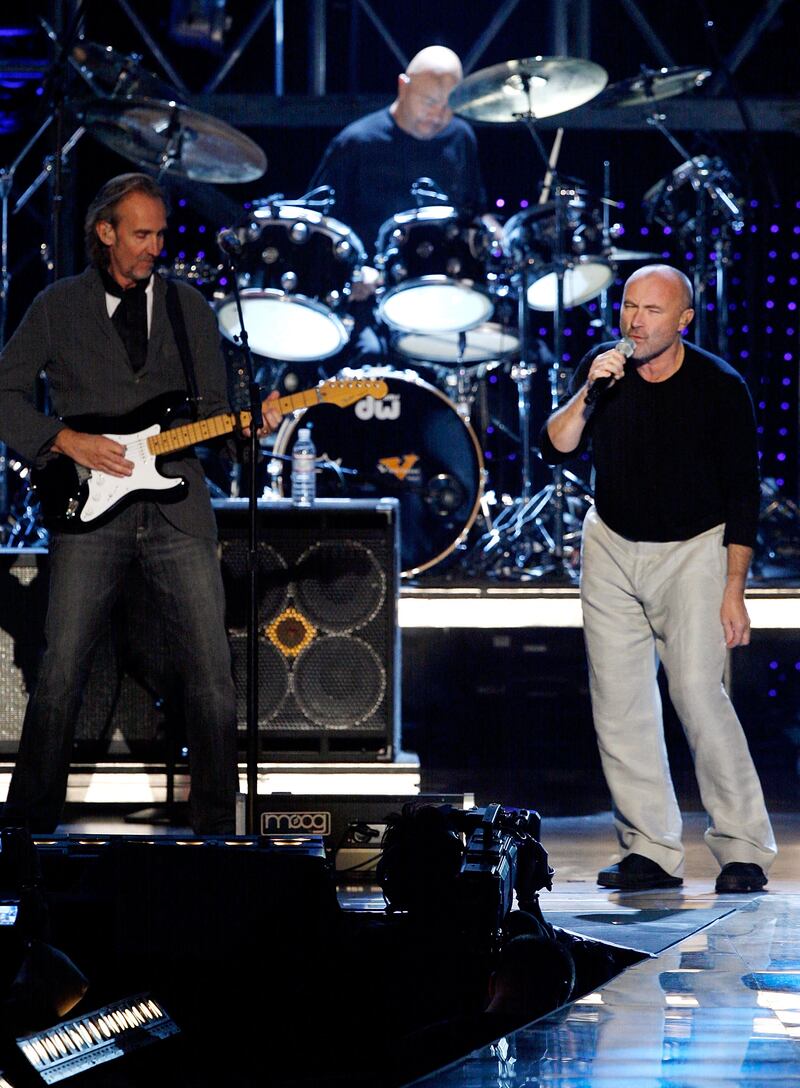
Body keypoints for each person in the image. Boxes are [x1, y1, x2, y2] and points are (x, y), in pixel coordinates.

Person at [0, 173, 282, 836]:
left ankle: (216, 830)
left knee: (211, 668)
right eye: (143, 233)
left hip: (178, 508)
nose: (156, 245)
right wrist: (64, 439)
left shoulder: (190, 308)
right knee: (62, 664)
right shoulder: (56, 306)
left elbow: (213, 413)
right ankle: (23, 835)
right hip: (88, 513)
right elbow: (4, 394)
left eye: (161, 233)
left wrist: (244, 430)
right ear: (106, 233)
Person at [539, 264, 777, 894]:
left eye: (652, 311)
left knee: (698, 693)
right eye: (629, 307)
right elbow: (558, 444)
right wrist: (590, 391)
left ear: (683, 321)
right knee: (619, 703)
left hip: (694, 548)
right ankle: (649, 849)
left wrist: (734, 589)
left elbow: (743, 494)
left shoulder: (719, 387)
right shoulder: (605, 372)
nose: (636, 321)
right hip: (612, 542)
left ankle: (743, 846)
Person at [308, 45, 493, 367]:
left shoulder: (461, 138)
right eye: (430, 102)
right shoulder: (356, 143)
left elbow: (474, 213)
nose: (438, 115)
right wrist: (351, 274)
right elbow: (318, 230)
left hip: (442, 298)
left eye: (449, 106)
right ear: (403, 86)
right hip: (369, 301)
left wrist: (497, 233)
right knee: (368, 357)